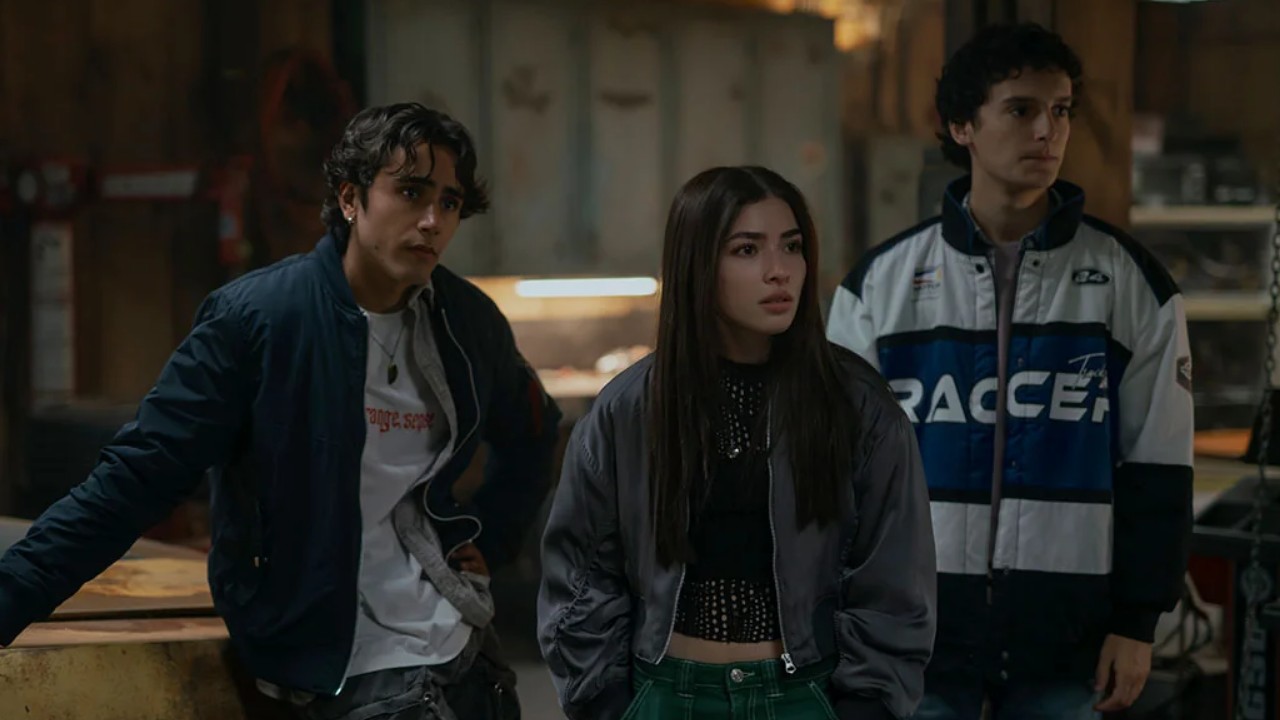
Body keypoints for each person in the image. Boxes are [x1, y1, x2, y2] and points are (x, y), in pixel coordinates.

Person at [0, 102, 561, 720]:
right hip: (332, 666)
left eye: (449, 203)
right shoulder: (258, 320)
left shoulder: (466, 321)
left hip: (463, 654)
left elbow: (537, 432)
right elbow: (134, 480)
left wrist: (494, 536)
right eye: (410, 192)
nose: (432, 221)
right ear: (350, 198)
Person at [827, 22, 1194, 719]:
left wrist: (1138, 621)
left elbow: (1160, 468)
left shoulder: (1132, 284)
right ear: (962, 126)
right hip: (915, 634)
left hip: (1069, 639)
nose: (1047, 132)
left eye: (1061, 111)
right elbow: (839, 477)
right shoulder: (878, 287)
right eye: (1021, 110)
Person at [538, 165, 936, 720]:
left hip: (806, 694)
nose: (779, 271)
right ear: (698, 265)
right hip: (667, 692)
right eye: (747, 250)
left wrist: (868, 705)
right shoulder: (630, 409)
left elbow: (893, 576)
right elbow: (581, 572)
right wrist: (604, 702)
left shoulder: (857, 405)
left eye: (791, 247)